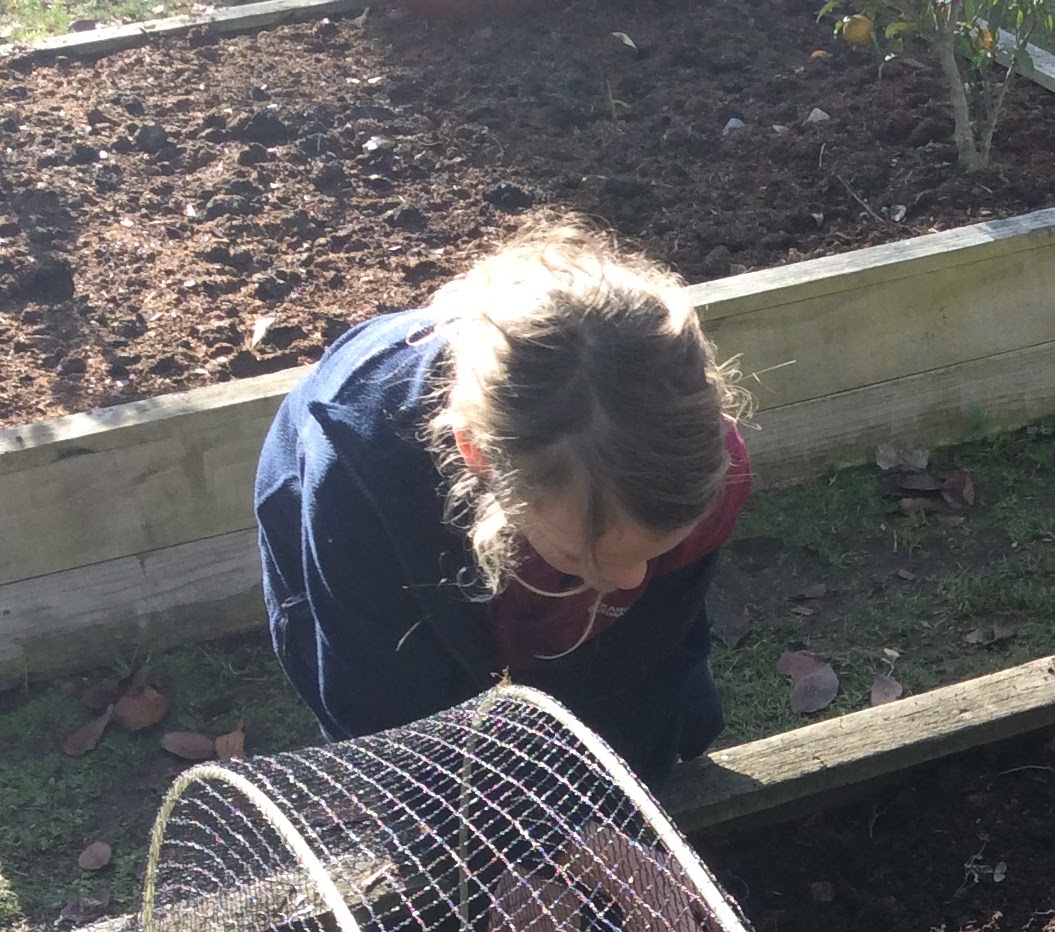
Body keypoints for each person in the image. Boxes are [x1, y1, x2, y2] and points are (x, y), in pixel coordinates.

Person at [254, 221, 751, 789]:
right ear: (479, 457)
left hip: (538, 509)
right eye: (583, 554)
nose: (633, 578)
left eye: (657, 551)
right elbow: (388, 712)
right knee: (442, 716)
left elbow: (648, 654)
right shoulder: (358, 471)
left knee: (648, 719)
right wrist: (497, 858)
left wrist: (614, 804)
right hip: (385, 527)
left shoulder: (699, 462)